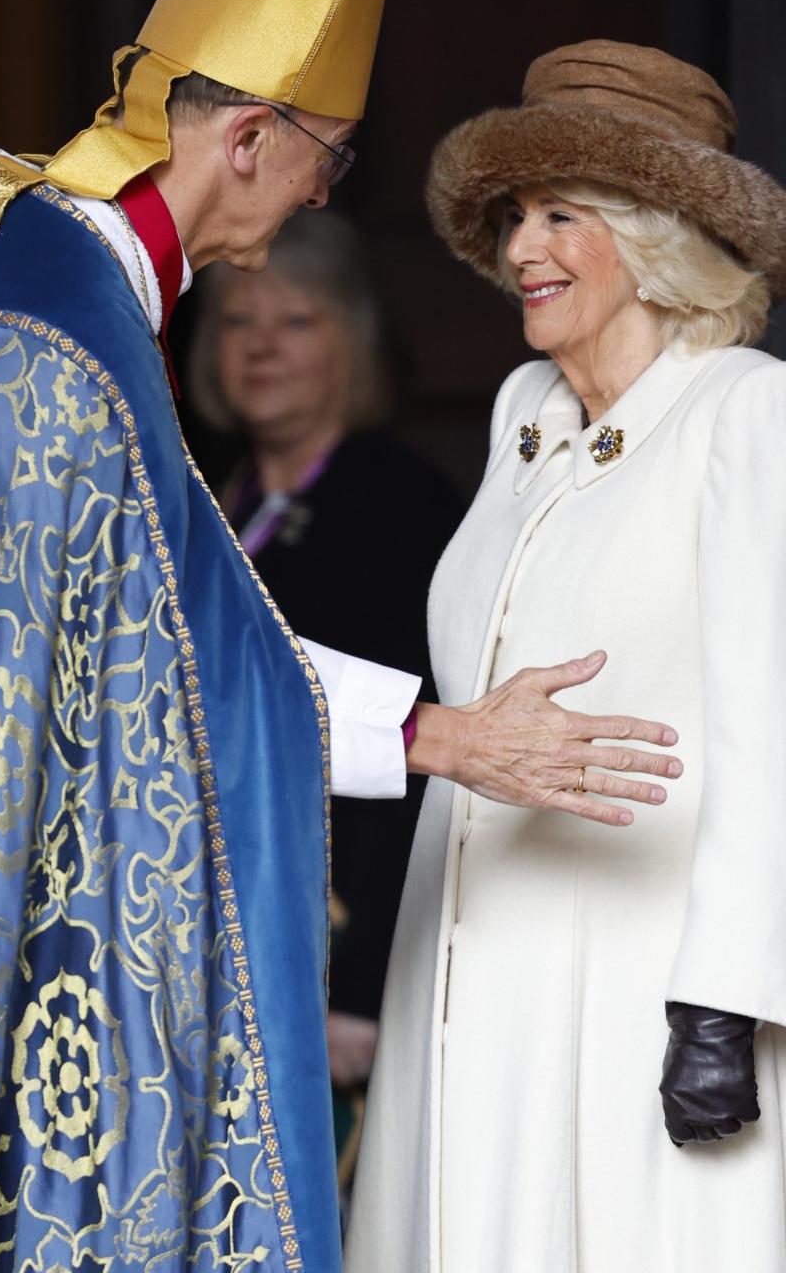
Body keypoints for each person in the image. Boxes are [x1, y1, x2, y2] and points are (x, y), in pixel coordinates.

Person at [0, 0, 678, 1270]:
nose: (318, 196)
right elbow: (187, 659)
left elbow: (160, 636)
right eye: (327, 158)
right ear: (247, 138)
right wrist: (446, 738)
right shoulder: (67, 346)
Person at [346, 39, 786, 1273]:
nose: (520, 248)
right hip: (466, 953)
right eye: (513, 216)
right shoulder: (522, 416)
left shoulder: (744, 410)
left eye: (560, 215)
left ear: (655, 237)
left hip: (634, 973)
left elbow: (773, 729)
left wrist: (723, 1002)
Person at [189, 211, 463, 1195]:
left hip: (333, 948)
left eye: (295, 321)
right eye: (236, 321)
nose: (259, 345)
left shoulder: (401, 505)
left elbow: (422, 747)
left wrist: (362, 988)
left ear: (352, 339)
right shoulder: (209, 496)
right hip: (215, 936)